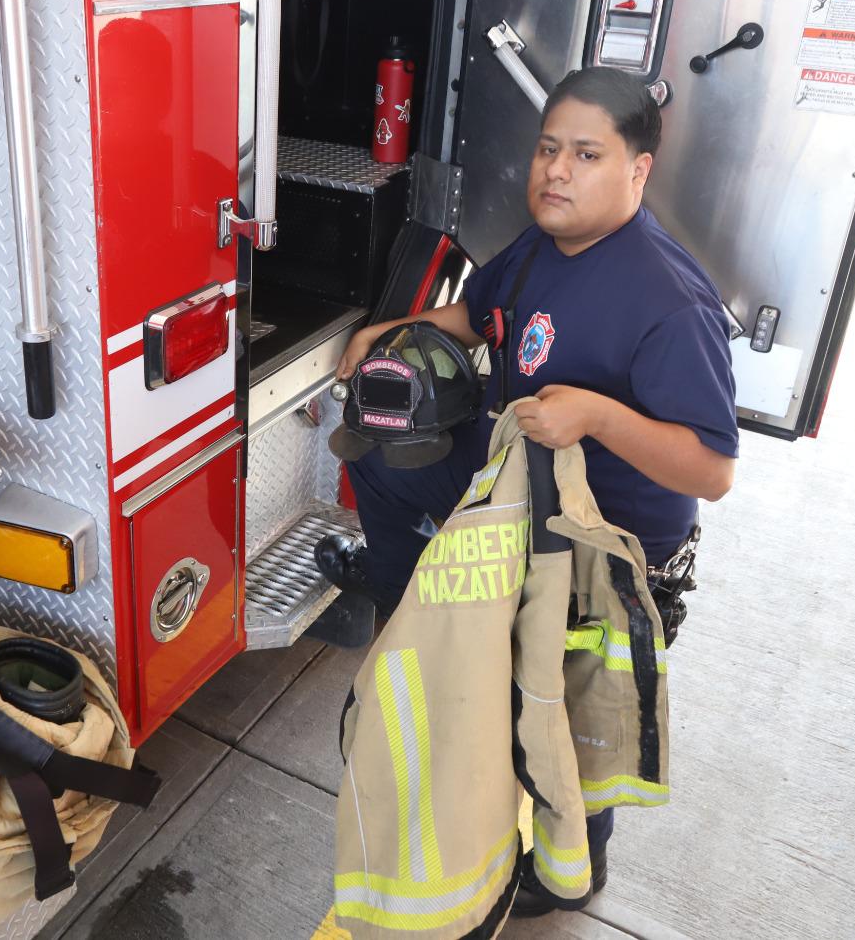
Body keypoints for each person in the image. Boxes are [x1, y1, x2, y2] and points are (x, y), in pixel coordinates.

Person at [312, 65, 739, 916]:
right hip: (518, 475)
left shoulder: (667, 300)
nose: (557, 171)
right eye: (550, 149)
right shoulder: (540, 247)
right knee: (380, 452)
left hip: (606, 536)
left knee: (572, 701)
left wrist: (599, 417)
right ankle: (414, 613)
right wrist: (390, 330)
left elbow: (712, 470)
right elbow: (475, 320)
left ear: (637, 171)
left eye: (586, 154)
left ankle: (574, 866)